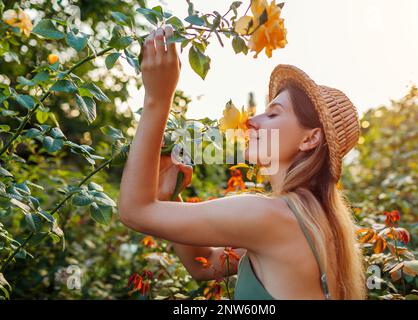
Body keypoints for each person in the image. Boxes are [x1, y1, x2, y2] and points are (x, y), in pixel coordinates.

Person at [118, 25, 367, 300]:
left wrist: (157, 99)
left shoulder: (271, 216)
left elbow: (134, 211)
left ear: (310, 139)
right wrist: (171, 196)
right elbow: (208, 264)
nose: (251, 120)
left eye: (273, 114)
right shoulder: (314, 221)